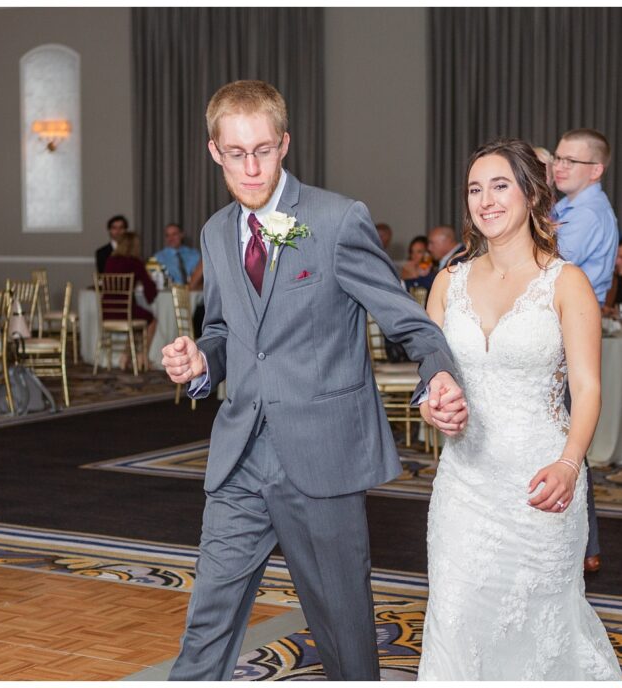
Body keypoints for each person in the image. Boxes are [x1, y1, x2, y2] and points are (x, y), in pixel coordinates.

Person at [159, 80, 466, 681]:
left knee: (344, 633)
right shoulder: (217, 232)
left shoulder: (335, 220)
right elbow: (222, 329)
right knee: (208, 622)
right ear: (214, 151)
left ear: (285, 144)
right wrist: (202, 362)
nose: (252, 167)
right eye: (237, 152)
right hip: (239, 456)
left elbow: (411, 324)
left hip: (323, 456)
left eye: (264, 150)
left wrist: (439, 378)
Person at [417, 138, 621, 680]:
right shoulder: (447, 283)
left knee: (540, 626)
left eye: (500, 185)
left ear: (532, 194)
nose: (485, 200)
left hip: (541, 482)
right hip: (464, 485)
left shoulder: (567, 282)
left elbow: (589, 387)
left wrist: (570, 463)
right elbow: (431, 382)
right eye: (474, 189)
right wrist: (433, 409)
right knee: (456, 617)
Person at [553, 127, 619, 573]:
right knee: (560, 430)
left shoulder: (588, 214)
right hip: (566, 323)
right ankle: (585, 543)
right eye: (557, 157)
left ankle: (582, 543)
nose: (559, 166)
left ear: (595, 170)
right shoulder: (571, 206)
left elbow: (546, 262)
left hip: (568, 328)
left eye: (570, 161)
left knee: (562, 432)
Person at [104, 231, 157, 370]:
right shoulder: (135, 262)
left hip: (108, 311)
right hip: (126, 312)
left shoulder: (110, 261)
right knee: (150, 320)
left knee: (136, 322)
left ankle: (125, 357)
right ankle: (142, 357)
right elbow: (150, 290)